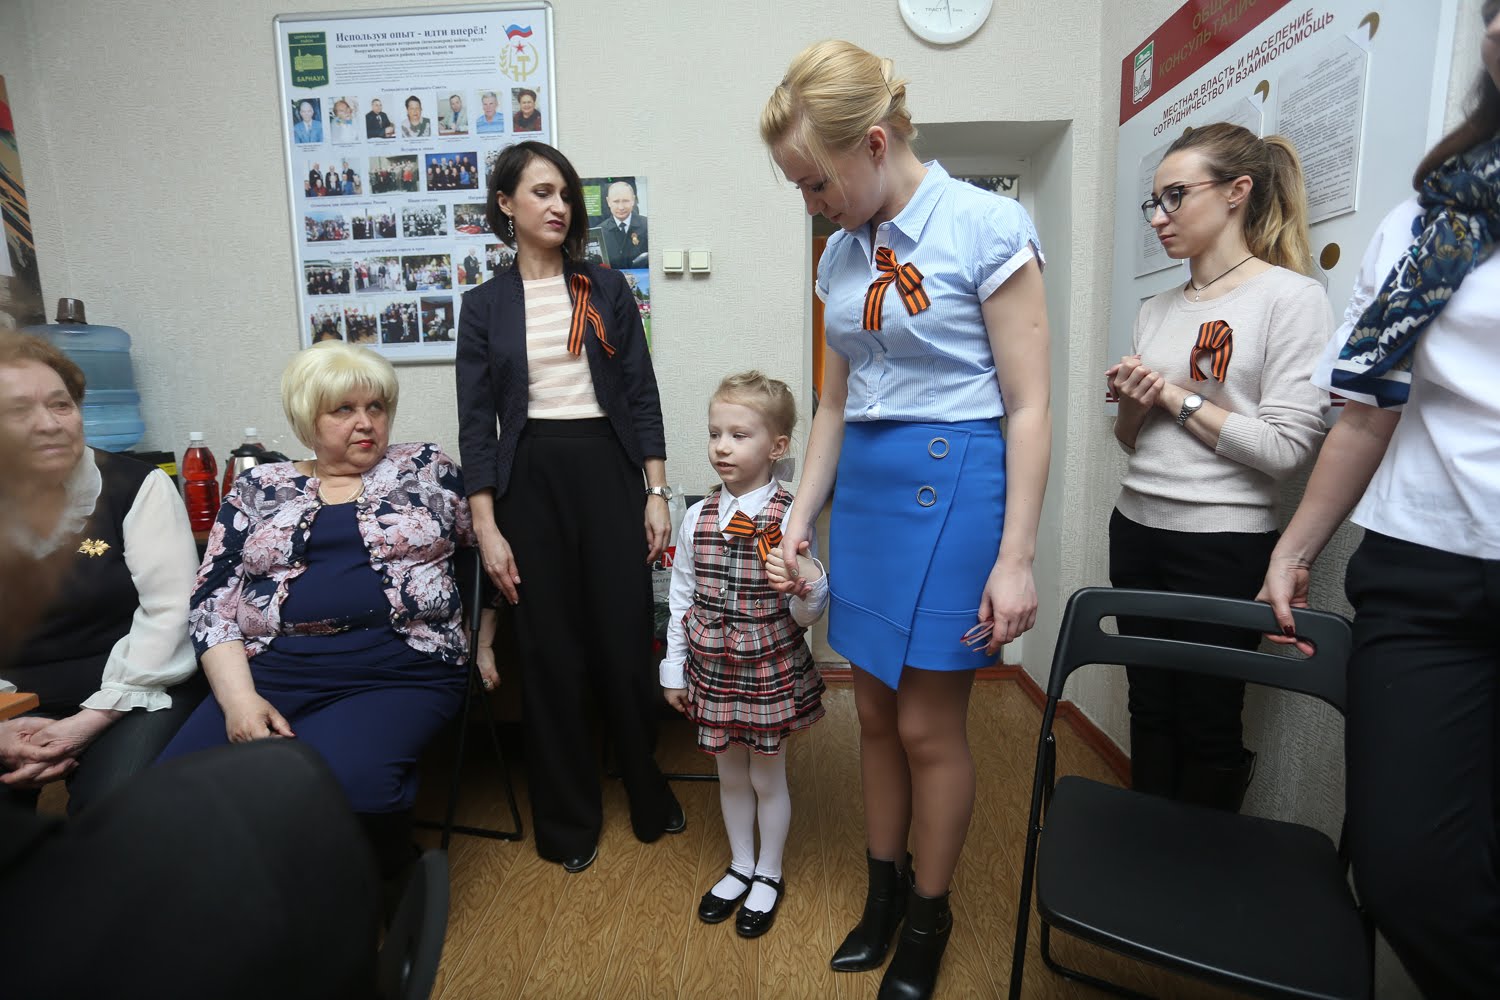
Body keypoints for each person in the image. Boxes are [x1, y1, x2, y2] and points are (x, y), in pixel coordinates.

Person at [760, 41, 1051, 1000]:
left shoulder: (986, 225)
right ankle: (881, 893)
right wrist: (801, 512)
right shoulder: (839, 254)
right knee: (874, 713)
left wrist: (1016, 557)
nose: (813, 203)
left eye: (816, 182)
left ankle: (929, 914)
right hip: (871, 496)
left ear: (875, 143)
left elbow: (1029, 406)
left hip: (956, 486)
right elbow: (832, 404)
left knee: (929, 725)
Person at [1258, 9, 1500, 996]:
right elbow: (1364, 413)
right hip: (1430, 578)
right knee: (1409, 877)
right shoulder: (1430, 221)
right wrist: (1293, 550)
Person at [157, 341, 471, 883]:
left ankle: (387, 885)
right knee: (173, 789)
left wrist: (483, 640)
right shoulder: (259, 486)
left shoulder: (426, 467)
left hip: (398, 667)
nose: (365, 422)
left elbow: (483, 552)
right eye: (343, 409)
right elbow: (212, 602)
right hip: (274, 668)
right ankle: (232, 894)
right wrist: (239, 701)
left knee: (347, 785)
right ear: (308, 419)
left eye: (376, 407)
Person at [455, 140, 682, 875]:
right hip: (530, 479)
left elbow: (641, 394)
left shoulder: (604, 287)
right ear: (506, 204)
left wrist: (655, 492)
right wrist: (486, 526)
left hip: (608, 470)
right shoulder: (483, 306)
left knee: (624, 638)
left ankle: (645, 788)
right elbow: (476, 426)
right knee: (550, 653)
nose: (558, 207)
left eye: (564, 195)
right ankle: (566, 817)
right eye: (541, 193)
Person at [1104, 122, 1331, 811]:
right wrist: (1135, 403)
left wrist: (1172, 396)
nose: (1158, 217)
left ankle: (1200, 865)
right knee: (1148, 703)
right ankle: (1149, 849)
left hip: (1224, 543)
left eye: (1175, 196)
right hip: (1136, 529)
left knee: (1208, 718)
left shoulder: (1291, 298)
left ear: (1237, 192)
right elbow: (1130, 440)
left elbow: (1285, 450)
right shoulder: (1155, 309)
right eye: (1154, 202)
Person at [0, 332, 202, 815]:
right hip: (10, 703)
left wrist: (89, 719)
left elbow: (173, 612)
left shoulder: (136, 487)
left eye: (61, 405)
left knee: (115, 806)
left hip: (137, 690)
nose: (49, 424)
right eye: (19, 410)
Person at [662, 372, 827, 938]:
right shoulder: (696, 516)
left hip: (765, 666)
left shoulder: (791, 518)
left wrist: (807, 586)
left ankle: (769, 873)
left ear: (777, 447)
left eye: (738, 435)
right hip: (710, 665)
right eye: (715, 434)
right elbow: (682, 596)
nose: (722, 447)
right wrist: (673, 669)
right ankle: (740, 865)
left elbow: (805, 614)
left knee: (766, 776)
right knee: (729, 774)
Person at [599, 179, 649, 268]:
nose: (621, 207)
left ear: (633, 200)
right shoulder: (600, 232)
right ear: (608, 202)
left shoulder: (648, 226)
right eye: (616, 201)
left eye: (625, 201)